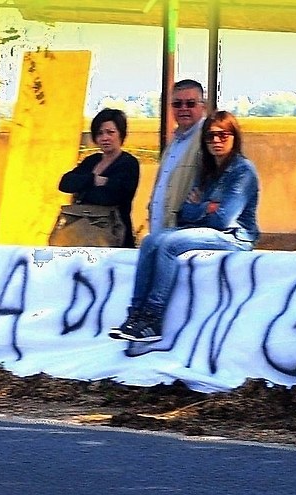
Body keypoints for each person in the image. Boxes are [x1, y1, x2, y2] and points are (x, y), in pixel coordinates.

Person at [108, 112, 258, 343]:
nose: (216, 141)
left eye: (223, 135)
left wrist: (201, 207)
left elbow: (222, 219)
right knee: (150, 240)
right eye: (210, 136)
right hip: (206, 231)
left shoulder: (243, 171)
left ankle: (153, 318)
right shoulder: (206, 171)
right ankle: (135, 314)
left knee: (169, 243)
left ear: (234, 137)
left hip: (233, 237)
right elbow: (184, 213)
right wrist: (207, 208)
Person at [55, 107, 141, 246]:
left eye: (110, 132)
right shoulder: (91, 161)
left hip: (114, 236)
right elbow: (65, 183)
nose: (105, 138)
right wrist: (94, 180)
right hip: (81, 233)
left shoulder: (128, 163)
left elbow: (112, 196)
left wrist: (84, 185)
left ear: (121, 134)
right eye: (100, 133)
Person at [142, 79, 209, 237]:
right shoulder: (174, 142)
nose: (183, 109)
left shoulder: (208, 138)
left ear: (203, 106)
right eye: (177, 104)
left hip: (186, 236)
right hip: (162, 234)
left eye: (190, 103)